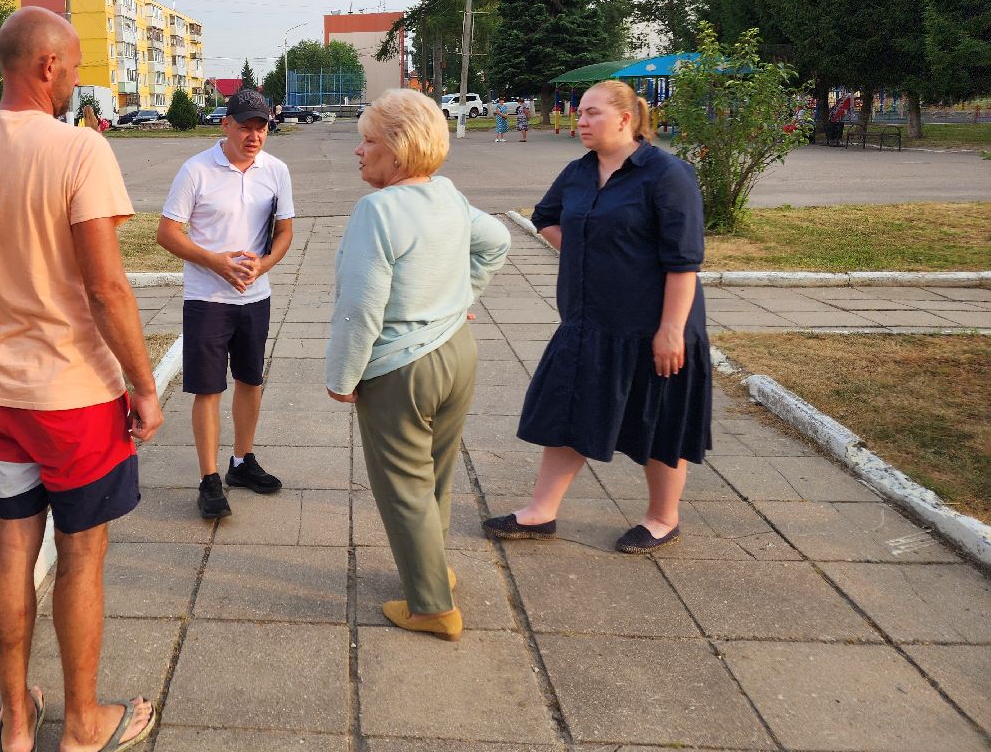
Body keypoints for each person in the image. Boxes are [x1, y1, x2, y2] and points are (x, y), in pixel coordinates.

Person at [0, 7, 162, 752]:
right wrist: (143, 384)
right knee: (83, 553)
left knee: (13, 539)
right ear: (49, 66)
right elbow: (106, 287)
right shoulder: (79, 150)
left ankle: (18, 719)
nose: (80, 77)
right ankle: (85, 724)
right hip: (73, 395)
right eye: (78, 62)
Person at [482, 79, 712, 554]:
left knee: (657, 419)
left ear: (626, 119)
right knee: (569, 410)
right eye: (579, 112)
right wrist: (588, 255)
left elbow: (683, 260)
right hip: (588, 319)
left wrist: (671, 331)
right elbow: (545, 217)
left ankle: (662, 518)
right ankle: (540, 512)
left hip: (653, 324)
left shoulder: (666, 174)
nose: (581, 121)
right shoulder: (578, 172)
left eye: (592, 113)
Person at [325, 90, 510, 642]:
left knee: (403, 483)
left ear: (399, 150)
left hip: (400, 369)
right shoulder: (447, 194)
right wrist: (459, 299)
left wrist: (342, 377)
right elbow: (496, 241)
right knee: (435, 474)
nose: (358, 151)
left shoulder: (378, 211)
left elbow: (361, 307)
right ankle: (435, 570)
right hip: (456, 354)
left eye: (368, 141)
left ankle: (432, 608)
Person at [156, 88, 294, 519]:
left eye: (261, 127)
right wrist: (215, 262)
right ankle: (209, 478)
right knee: (208, 389)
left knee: (251, 380)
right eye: (245, 126)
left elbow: (286, 231)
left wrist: (265, 265)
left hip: (255, 297)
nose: (253, 135)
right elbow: (167, 233)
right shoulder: (196, 170)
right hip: (207, 298)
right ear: (226, 125)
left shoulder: (276, 171)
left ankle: (242, 461)